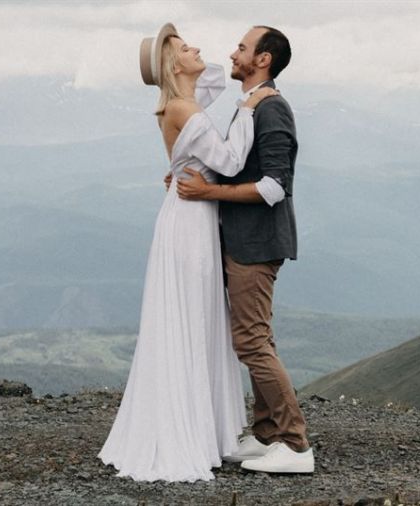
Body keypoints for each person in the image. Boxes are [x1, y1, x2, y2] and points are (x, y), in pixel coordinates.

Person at [97, 23, 277, 482]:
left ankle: (202, 426)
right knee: (192, 317)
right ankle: (187, 429)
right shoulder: (181, 106)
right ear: (173, 64)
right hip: (190, 221)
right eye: (184, 47)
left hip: (191, 215)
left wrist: (181, 65)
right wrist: (249, 103)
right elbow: (232, 162)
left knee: (197, 317)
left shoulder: (183, 102)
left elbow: (212, 76)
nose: (198, 47)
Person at [175, 25, 313, 474]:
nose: (232, 53)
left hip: (257, 244)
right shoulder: (251, 105)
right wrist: (198, 176)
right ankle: (267, 435)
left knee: (251, 342)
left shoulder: (272, 110)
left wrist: (206, 195)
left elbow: (275, 186)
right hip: (244, 239)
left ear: (263, 60)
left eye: (241, 48)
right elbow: (237, 167)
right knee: (257, 337)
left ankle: (295, 446)